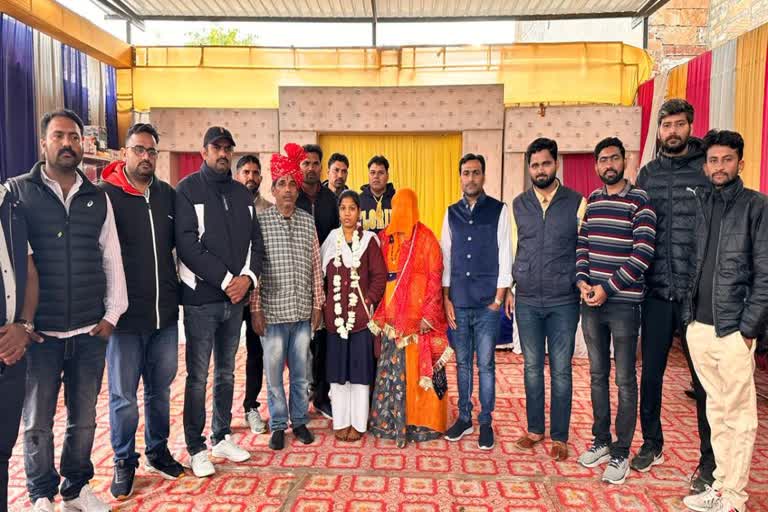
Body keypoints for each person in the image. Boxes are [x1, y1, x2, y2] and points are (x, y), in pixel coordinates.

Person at [9, 109, 128, 512]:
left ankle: (75, 488)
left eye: (74, 137)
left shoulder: (97, 196)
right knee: (37, 422)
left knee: (85, 418)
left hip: (88, 330)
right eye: (59, 136)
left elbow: (111, 256)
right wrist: (20, 324)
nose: (67, 144)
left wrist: (113, 313)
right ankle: (41, 492)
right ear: (43, 143)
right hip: (39, 334)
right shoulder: (18, 193)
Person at [682, 130, 768, 512]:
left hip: (733, 330)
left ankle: (734, 497)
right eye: (713, 161)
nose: (719, 167)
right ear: (705, 166)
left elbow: (766, 274)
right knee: (716, 414)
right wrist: (688, 320)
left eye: (727, 160)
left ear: (740, 164)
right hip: (699, 329)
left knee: (740, 417)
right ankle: (720, 486)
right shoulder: (702, 204)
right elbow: (693, 264)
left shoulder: (757, 207)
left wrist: (749, 329)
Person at [633, 99, 715, 492]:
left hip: (697, 296)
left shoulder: (706, 170)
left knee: (703, 382)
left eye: (679, 124)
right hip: (656, 292)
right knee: (650, 375)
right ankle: (652, 443)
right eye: (666, 125)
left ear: (690, 126)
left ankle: (709, 459)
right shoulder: (647, 174)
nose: (672, 131)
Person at [99, 123, 183, 498]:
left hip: (164, 315)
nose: (146, 157)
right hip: (124, 319)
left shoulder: (166, 195)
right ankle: (123, 459)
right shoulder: (106, 196)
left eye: (151, 151)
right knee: (123, 396)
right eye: (139, 150)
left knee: (160, 391)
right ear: (124, 154)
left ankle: (157, 450)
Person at [176, 127, 264, 478]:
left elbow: (256, 244)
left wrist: (248, 280)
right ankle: (196, 447)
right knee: (198, 376)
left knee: (227, 371)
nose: (223, 154)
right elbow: (187, 246)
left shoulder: (243, 194)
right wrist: (228, 280)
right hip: (201, 299)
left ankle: (221, 434)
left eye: (228, 148)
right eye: (217, 148)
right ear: (203, 151)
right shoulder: (187, 190)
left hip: (235, 301)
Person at [575, 137, 656, 485]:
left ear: (625, 161)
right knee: (596, 376)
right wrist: (582, 282)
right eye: (603, 160)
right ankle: (601, 441)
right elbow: (583, 244)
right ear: (596, 166)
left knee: (624, 379)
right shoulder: (592, 201)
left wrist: (606, 288)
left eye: (614, 158)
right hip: (591, 303)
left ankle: (622, 451)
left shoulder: (640, 201)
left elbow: (642, 255)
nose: (608, 164)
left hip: (623, 304)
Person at [510, 138, 586, 461]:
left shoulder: (577, 203)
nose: (540, 170)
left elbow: (584, 249)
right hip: (527, 299)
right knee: (530, 368)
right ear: (528, 168)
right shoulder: (518, 204)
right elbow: (515, 247)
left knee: (561, 370)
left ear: (557, 164)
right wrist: (512, 287)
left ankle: (560, 435)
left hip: (563, 302)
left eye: (545, 163)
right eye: (534, 165)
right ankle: (534, 429)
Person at [250, 143, 324, 451]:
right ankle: (278, 424)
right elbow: (254, 268)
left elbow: (316, 266)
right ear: (274, 188)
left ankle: (300, 421)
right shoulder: (262, 222)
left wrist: (318, 304)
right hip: (273, 313)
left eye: (293, 183)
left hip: (302, 313)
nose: (289, 189)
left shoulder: (308, 222)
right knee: (274, 374)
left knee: (300, 373)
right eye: (282, 184)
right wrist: (255, 309)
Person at [368, 188, 453, 448]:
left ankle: (421, 423)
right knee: (393, 368)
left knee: (418, 369)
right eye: (398, 206)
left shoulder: (426, 239)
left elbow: (435, 277)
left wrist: (429, 313)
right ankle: (391, 422)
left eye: (407, 206)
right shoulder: (385, 238)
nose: (402, 211)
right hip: (393, 314)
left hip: (418, 317)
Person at [441, 153, 511, 450]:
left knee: (486, 365)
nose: (470, 178)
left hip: (487, 303)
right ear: (460, 177)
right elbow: (446, 255)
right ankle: (465, 418)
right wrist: (445, 298)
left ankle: (485, 421)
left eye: (476, 173)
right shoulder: (450, 212)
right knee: (462, 364)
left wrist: (499, 298)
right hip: (458, 300)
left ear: (484, 176)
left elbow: (505, 252)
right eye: (466, 173)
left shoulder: (499, 210)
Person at [320, 190, 386, 441]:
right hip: (335, 321)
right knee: (338, 372)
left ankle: (358, 423)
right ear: (338, 212)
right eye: (343, 208)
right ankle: (341, 421)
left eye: (352, 208)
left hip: (361, 321)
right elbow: (321, 274)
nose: (347, 213)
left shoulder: (369, 241)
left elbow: (379, 277)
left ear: (359, 212)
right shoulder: (331, 239)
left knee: (359, 372)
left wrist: (368, 300)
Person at [0, 184, 40, 512]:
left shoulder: (11, 206)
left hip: (12, 351)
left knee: (2, 450)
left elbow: (28, 272)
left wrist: (24, 326)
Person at [297, 144, 339, 420]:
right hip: (297, 279)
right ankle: (300, 396)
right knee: (299, 342)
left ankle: (321, 395)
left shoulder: (330, 199)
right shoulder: (292, 195)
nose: (311, 168)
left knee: (322, 340)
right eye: (306, 163)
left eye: (315, 163)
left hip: (325, 281)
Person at [234, 155, 273, 434]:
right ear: (238, 175)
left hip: (258, 296)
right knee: (223, 357)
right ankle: (219, 419)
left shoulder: (268, 211)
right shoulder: (227, 206)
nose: (251, 176)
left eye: (255, 172)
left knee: (257, 353)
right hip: (230, 292)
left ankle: (251, 406)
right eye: (246, 171)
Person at [360, 155, 396, 234]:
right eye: (372, 172)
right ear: (368, 175)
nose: (376, 176)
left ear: (387, 176)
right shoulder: (358, 201)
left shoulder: (398, 199)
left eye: (380, 173)